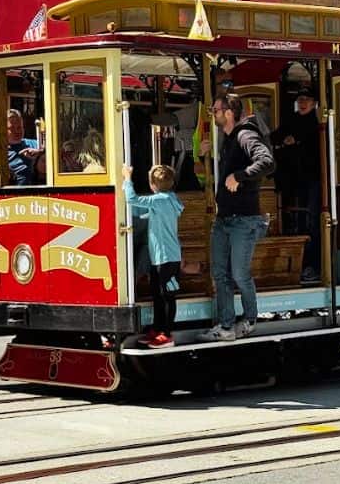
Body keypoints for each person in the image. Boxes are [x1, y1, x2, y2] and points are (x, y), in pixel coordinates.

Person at [201, 93, 275, 342]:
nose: (213, 114)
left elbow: (267, 162)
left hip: (244, 219)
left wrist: (239, 176)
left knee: (240, 274)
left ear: (229, 112)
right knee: (220, 274)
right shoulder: (229, 138)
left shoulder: (245, 134)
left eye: (216, 110)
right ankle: (226, 327)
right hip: (224, 218)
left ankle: (250, 319)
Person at [122, 164, 184, 348]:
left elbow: (131, 198)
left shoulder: (158, 200)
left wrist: (127, 177)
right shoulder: (170, 200)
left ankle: (167, 334)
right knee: (158, 294)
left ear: (152, 185)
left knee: (167, 296)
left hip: (167, 257)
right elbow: (151, 215)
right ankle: (158, 330)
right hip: (160, 257)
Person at [271, 85, 321, 283]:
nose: (302, 103)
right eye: (299, 100)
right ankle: (294, 267)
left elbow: (316, 146)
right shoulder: (291, 120)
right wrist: (285, 140)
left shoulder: (318, 122)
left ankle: (313, 266)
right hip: (292, 181)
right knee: (295, 222)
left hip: (313, 180)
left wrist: (296, 141)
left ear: (314, 103)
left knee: (312, 223)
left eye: (306, 100)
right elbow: (275, 137)